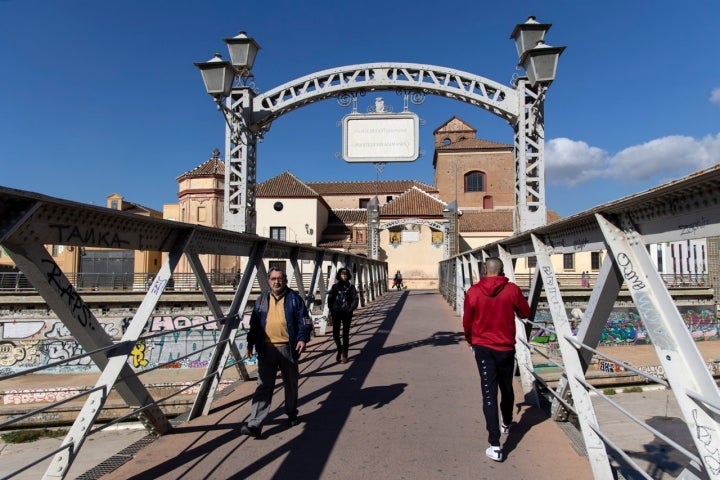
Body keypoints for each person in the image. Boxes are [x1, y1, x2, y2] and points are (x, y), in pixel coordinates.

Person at [462, 257, 530, 462]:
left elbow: (468, 321)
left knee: (489, 393)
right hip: (506, 347)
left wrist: (470, 340)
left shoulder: (473, 292)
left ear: (484, 270)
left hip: (483, 347)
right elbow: (525, 312)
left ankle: (495, 444)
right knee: (506, 387)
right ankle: (507, 422)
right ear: (501, 271)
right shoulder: (512, 290)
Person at [241, 267, 310, 438]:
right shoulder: (262, 300)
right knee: (263, 386)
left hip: (287, 348)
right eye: (273, 279)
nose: (276, 282)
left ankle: (292, 413)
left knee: (291, 383)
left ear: (285, 280)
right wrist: (250, 343)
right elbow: (255, 324)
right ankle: (255, 424)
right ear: (269, 280)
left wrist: (302, 339)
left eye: (279, 279)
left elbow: (304, 322)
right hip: (266, 348)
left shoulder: (295, 299)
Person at [327, 267, 359, 364]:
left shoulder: (352, 287)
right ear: (339, 275)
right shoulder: (334, 287)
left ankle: (345, 355)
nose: (344, 276)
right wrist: (332, 310)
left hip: (347, 313)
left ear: (348, 276)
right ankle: (339, 349)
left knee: (345, 334)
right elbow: (330, 299)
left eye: (345, 274)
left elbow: (355, 300)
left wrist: (350, 309)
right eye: (342, 274)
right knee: (335, 334)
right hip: (336, 313)